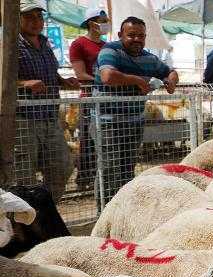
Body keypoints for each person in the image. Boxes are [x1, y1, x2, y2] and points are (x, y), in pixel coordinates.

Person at [93, 16, 178, 206]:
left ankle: (124, 210)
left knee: (127, 169)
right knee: (108, 169)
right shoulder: (110, 50)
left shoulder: (149, 58)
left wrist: (171, 80)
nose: (137, 39)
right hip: (108, 122)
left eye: (141, 36)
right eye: (131, 35)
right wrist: (139, 81)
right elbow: (108, 76)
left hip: (134, 121)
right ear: (120, 35)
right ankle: (104, 213)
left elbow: (170, 71)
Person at [15, 0, 78, 199]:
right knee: (23, 174)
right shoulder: (8, 44)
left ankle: (44, 210)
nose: (36, 21)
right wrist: (24, 84)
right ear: (16, 19)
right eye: (29, 17)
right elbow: (3, 79)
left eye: (39, 17)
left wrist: (63, 81)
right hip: (23, 119)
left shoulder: (44, 43)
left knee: (62, 166)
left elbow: (49, 74)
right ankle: (26, 222)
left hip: (50, 117)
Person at [69, 6, 109, 190]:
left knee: (105, 139)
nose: (105, 24)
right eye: (102, 21)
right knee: (87, 139)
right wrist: (104, 80)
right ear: (91, 23)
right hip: (89, 98)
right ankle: (83, 178)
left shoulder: (107, 46)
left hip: (105, 98)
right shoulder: (78, 44)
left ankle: (99, 178)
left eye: (106, 21)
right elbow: (80, 74)